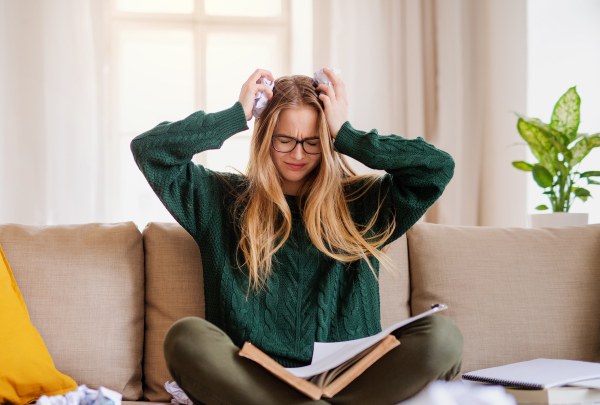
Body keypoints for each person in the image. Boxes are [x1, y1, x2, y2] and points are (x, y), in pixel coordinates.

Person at [131, 68, 463, 405]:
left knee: (444, 337)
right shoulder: (220, 199)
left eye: (313, 141)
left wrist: (348, 134)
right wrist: (235, 115)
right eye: (285, 140)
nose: (298, 154)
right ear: (265, 138)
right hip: (255, 380)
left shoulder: (365, 202)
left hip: (350, 380)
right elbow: (150, 151)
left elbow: (436, 167)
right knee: (186, 337)